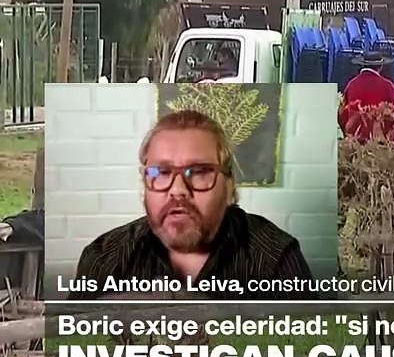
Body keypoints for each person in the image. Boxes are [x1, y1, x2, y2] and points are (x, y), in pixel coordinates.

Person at [68, 110, 316, 300]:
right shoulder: (105, 259)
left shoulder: (275, 259)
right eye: (162, 172)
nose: (178, 190)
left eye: (198, 172)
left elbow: (313, 352)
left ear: (229, 187)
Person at [338, 50, 394, 143]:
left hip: (355, 142)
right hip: (379, 143)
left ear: (362, 65)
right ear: (380, 67)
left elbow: (342, 115)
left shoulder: (351, 85)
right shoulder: (387, 85)